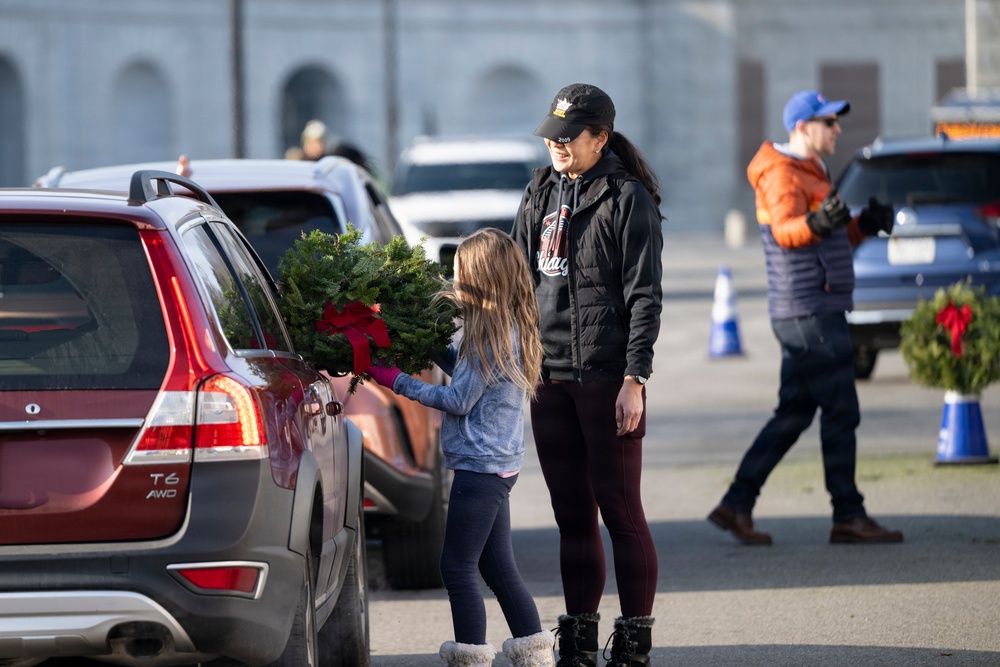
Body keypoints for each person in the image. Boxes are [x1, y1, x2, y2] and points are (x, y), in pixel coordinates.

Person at [510, 83, 663, 667]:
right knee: (572, 517)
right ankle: (577, 641)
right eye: (552, 135)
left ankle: (634, 641)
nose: (557, 145)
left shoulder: (627, 198)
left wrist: (635, 379)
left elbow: (644, 296)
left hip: (606, 379)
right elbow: (517, 279)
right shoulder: (539, 192)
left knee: (620, 512)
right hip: (547, 379)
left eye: (569, 137)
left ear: (601, 138)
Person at [707, 90, 902, 546]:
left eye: (836, 122)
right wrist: (817, 223)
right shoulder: (782, 173)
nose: (837, 130)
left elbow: (827, 238)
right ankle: (848, 515)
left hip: (808, 309)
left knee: (794, 413)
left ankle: (736, 504)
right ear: (802, 127)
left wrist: (862, 225)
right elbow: (786, 231)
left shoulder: (813, 169)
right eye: (828, 122)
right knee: (841, 411)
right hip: (809, 311)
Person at [366, 227, 555, 667]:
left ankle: (472, 658)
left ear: (480, 281)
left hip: (480, 470)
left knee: (456, 566)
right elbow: (472, 377)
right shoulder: (504, 329)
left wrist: (396, 380)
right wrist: (430, 346)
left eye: (459, 275)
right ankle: (535, 654)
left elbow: (458, 399)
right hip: (496, 465)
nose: (453, 284)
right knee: (497, 568)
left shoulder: (489, 338)